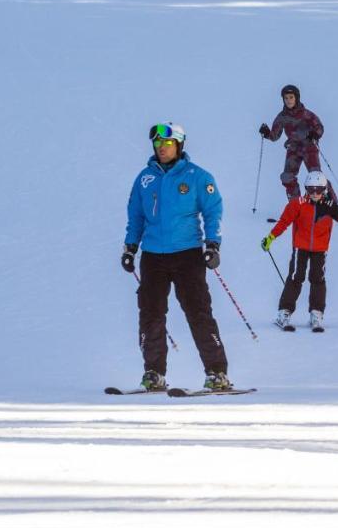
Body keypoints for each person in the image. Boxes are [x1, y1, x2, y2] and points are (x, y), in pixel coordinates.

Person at [123, 122, 232, 391]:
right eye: (158, 144)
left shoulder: (197, 176)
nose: (162, 148)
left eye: (168, 144)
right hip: (153, 257)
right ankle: (153, 373)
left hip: (187, 256)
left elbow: (212, 211)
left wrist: (213, 245)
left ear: (179, 146)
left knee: (198, 313)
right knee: (151, 314)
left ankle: (217, 373)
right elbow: (135, 215)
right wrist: (130, 247)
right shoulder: (144, 179)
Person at [261, 171, 338, 333]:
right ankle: (284, 313)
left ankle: (316, 313)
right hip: (301, 246)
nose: (315, 194)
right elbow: (284, 222)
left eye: (319, 190)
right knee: (295, 277)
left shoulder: (329, 205)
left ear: (324, 190)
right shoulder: (297, 204)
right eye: (311, 189)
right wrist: (271, 237)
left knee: (317, 278)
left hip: (320, 248)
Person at [259, 84, 326, 200]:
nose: (289, 100)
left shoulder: (306, 114)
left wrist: (315, 134)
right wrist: (266, 133)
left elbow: (319, 127)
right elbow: (275, 136)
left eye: (291, 97)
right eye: (286, 98)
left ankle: (329, 203)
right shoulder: (282, 117)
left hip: (309, 148)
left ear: (297, 98)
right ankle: (296, 205)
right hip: (293, 148)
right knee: (287, 177)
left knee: (316, 176)